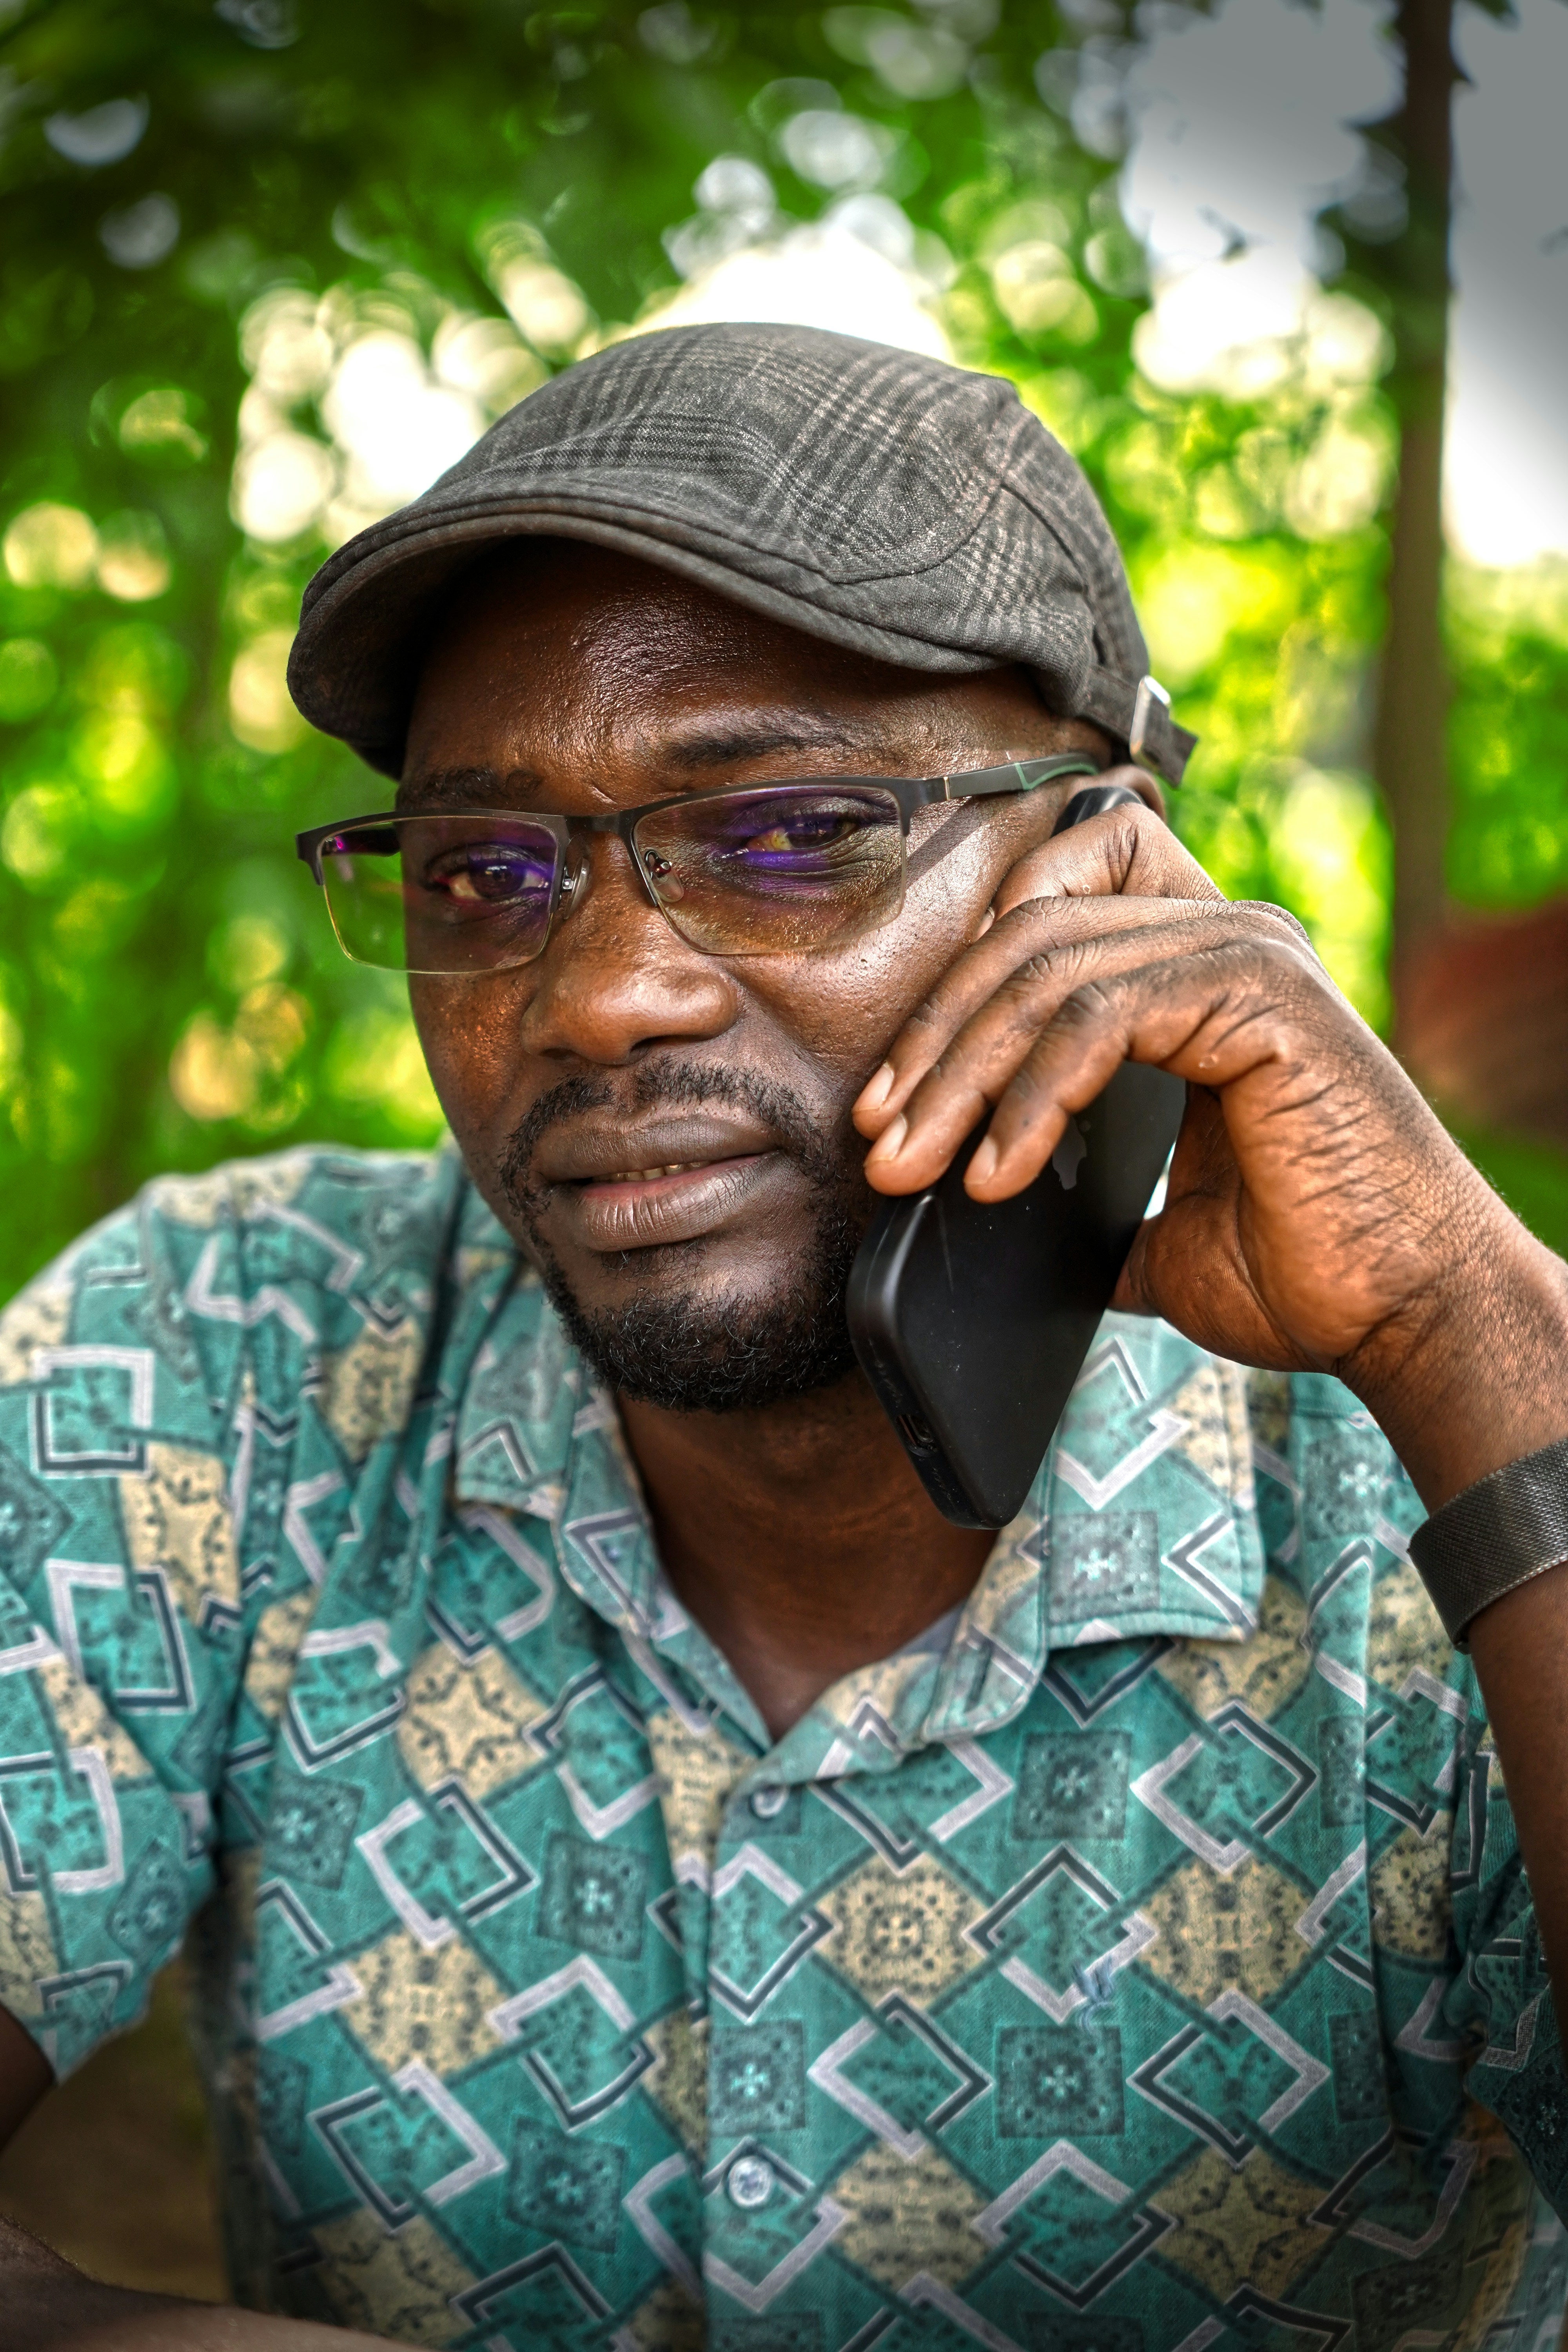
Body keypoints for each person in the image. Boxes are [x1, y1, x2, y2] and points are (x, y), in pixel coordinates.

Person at [3, 323, 1568, 2352]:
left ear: (1110, 868)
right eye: (486, 869)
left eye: (792, 835)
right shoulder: (230, 1358)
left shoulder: (1417, 1467)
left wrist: (1470, 1324)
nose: (599, 998)